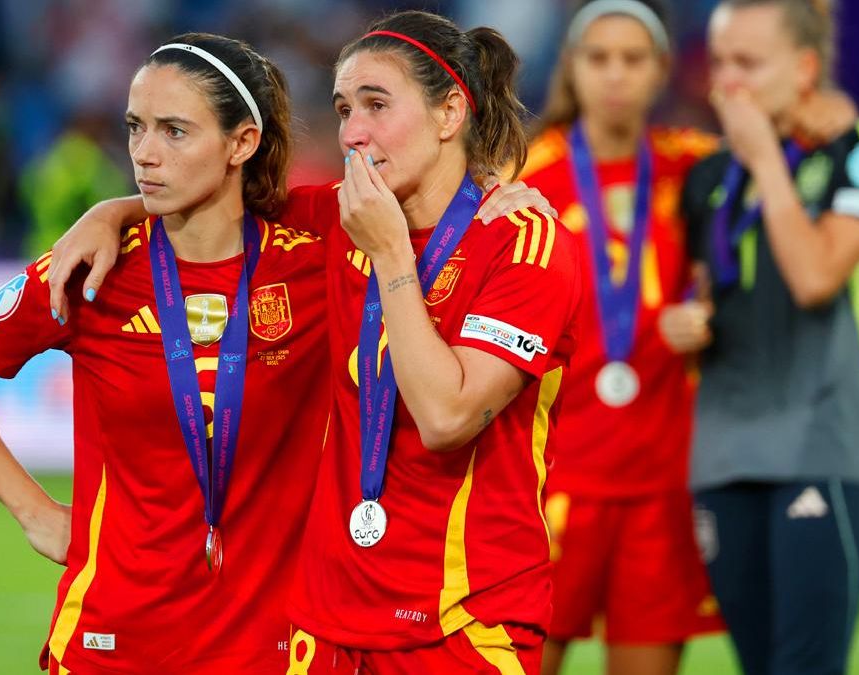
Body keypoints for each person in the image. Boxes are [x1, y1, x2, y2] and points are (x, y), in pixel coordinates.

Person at [46, 11, 578, 673]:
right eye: (344, 107)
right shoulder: (337, 220)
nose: (354, 132)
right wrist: (114, 211)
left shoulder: (520, 243)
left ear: (450, 113)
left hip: (463, 622)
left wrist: (390, 256)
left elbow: (446, 417)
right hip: (324, 627)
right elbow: (215, 199)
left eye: (377, 105)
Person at [0, 33, 332, 674]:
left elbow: (430, 196)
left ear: (242, 143)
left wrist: (512, 194)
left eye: (174, 131)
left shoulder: (317, 251)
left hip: (270, 647)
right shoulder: (92, 269)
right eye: (136, 127)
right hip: (112, 642)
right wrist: (33, 511)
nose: (144, 154)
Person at [662, 0, 859, 672]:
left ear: (806, 67)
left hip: (826, 445)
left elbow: (817, 276)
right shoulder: (708, 177)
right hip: (726, 454)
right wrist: (685, 323)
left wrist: (767, 161)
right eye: (721, 62)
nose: (728, 82)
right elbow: (709, 292)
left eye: (750, 64)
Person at [517, 3, 725, 673]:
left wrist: (711, 317)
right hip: (551, 476)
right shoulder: (524, 178)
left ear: (662, 70)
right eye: (598, 57)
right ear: (572, 67)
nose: (615, 75)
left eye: (633, 59)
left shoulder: (699, 168)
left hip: (662, 479)